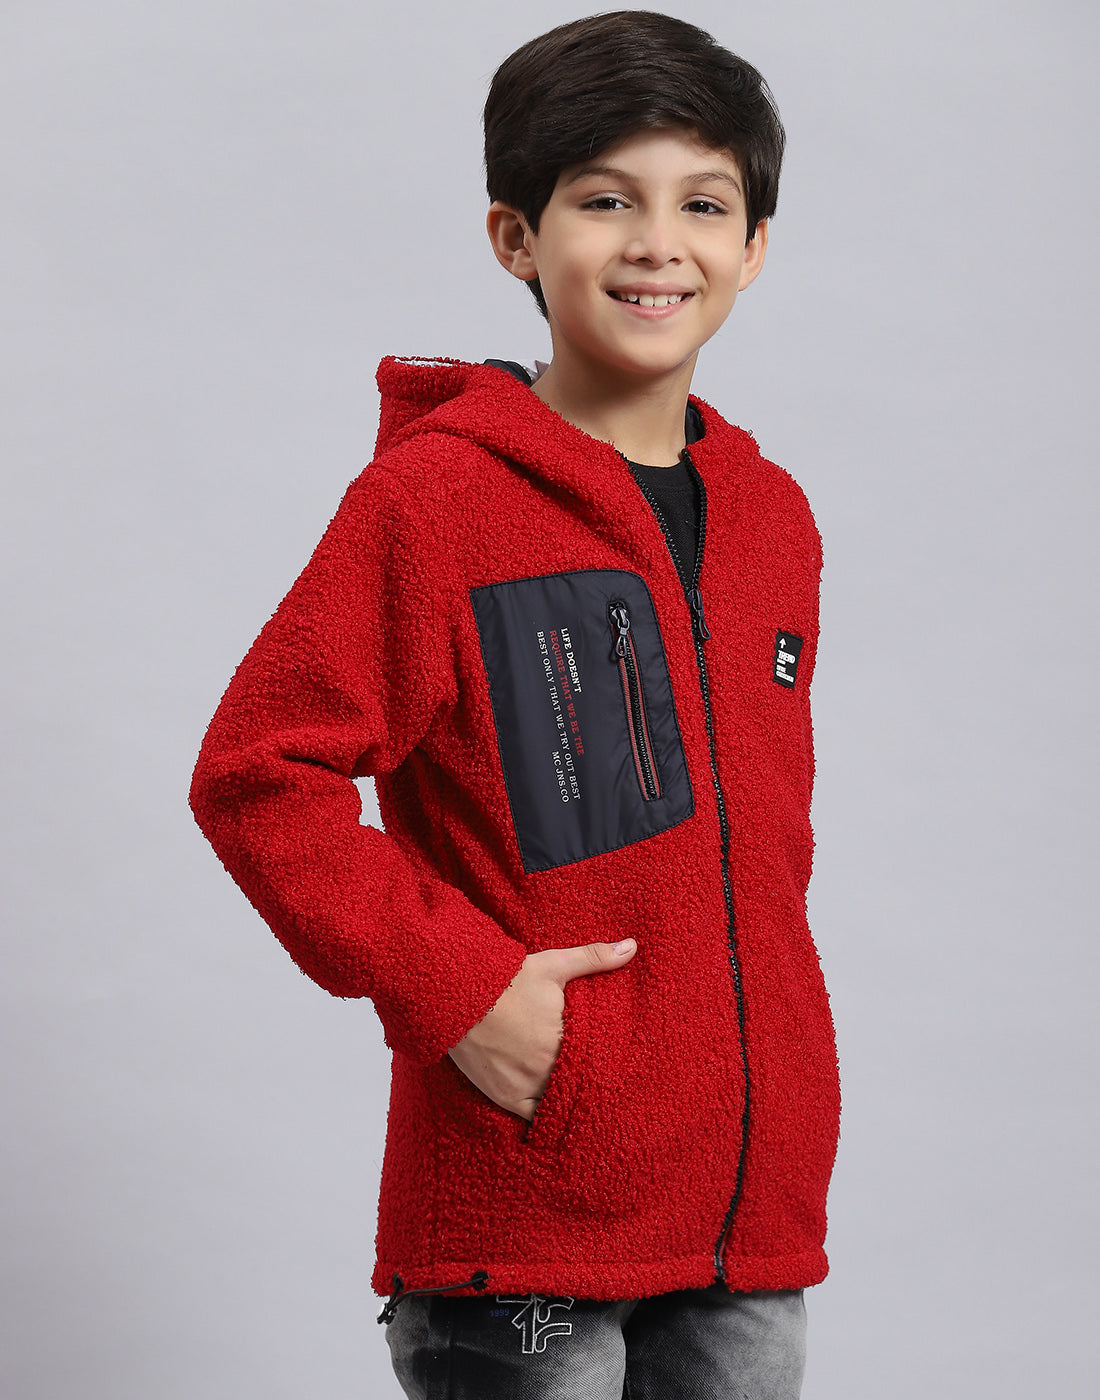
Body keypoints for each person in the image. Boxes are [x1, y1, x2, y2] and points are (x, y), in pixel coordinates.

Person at [190, 11, 840, 1398]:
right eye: (605, 201)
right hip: (524, 1232)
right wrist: (463, 988)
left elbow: (756, 845)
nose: (658, 244)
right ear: (516, 238)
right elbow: (259, 775)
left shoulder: (773, 521)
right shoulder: (435, 503)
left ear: (753, 248)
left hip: (748, 1222)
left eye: (703, 204)